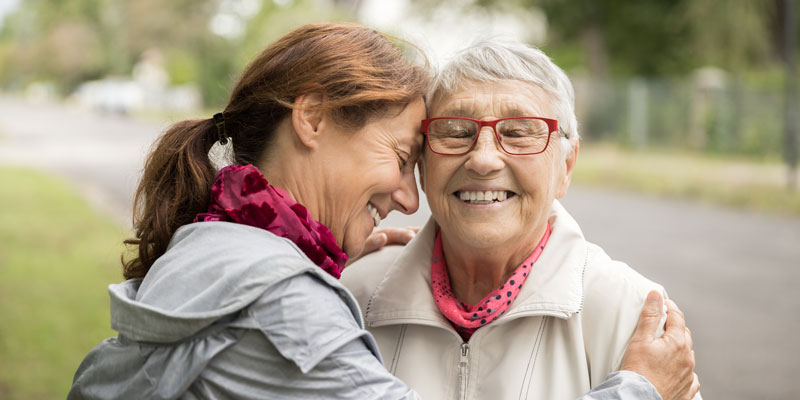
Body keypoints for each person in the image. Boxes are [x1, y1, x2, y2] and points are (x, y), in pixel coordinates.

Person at [69, 23, 695, 399]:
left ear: (567, 162)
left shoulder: (636, 317)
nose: (407, 195)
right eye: (426, 144)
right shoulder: (309, 294)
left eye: (521, 131)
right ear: (311, 119)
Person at [342, 39, 701, 400]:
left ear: (566, 166)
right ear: (422, 166)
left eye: (518, 133)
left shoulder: (630, 312)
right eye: (455, 131)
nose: (483, 160)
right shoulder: (354, 295)